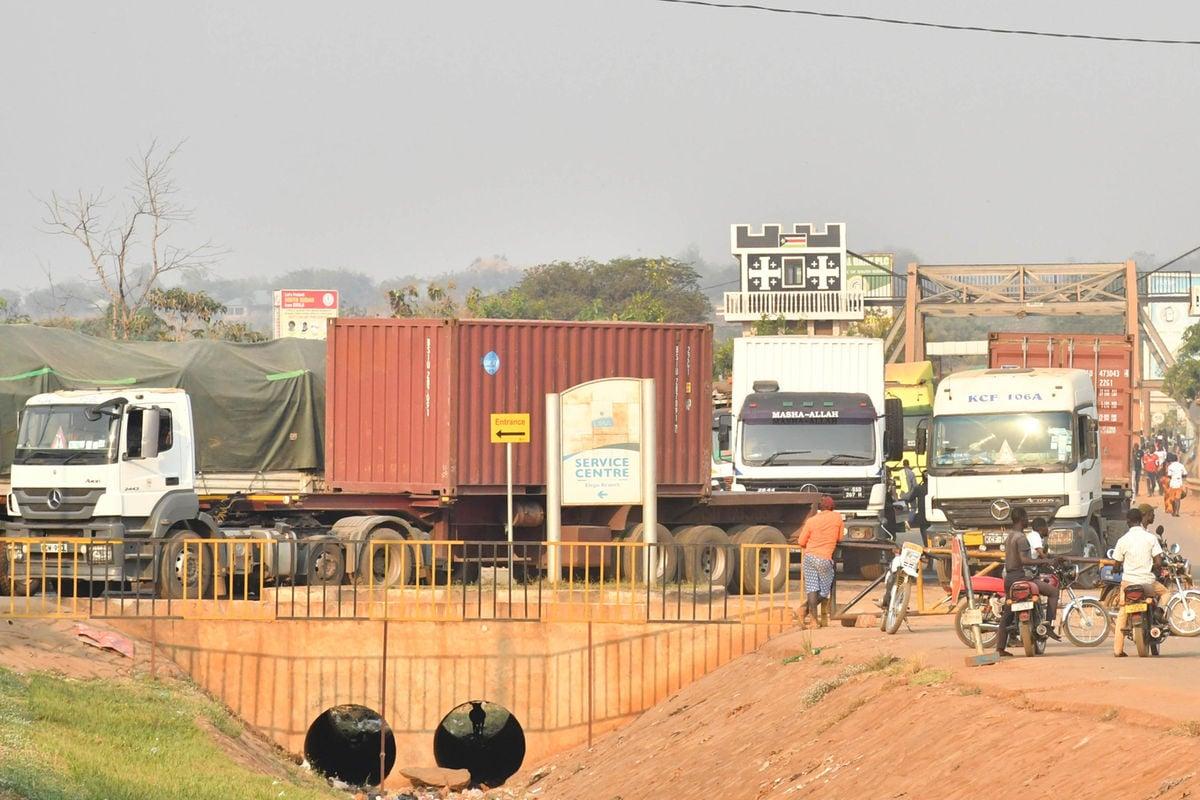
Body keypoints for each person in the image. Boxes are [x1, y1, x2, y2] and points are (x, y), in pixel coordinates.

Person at [996, 507, 1061, 656]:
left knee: (1007, 614)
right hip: (1021, 577)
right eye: (1026, 518)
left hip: (1009, 579)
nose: (1028, 521)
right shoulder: (1021, 538)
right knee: (1053, 592)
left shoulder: (1009, 536)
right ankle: (1048, 624)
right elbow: (1024, 560)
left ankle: (1000, 648)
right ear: (1022, 519)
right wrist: (1045, 561)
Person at [1111, 507, 1172, 657]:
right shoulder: (1150, 538)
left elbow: (1116, 564)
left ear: (1128, 522)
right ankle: (1159, 611)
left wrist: (1116, 569)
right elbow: (1159, 562)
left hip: (1128, 584)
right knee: (1166, 593)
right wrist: (1152, 567)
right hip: (1147, 583)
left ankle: (1118, 650)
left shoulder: (1122, 540)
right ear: (1140, 520)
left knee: (1123, 612)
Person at [797, 495, 844, 628]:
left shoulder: (811, 521)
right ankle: (803, 609)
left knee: (812, 589)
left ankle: (813, 620)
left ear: (819, 507)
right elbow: (840, 538)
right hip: (824, 559)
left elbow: (801, 542)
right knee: (824, 591)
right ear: (832, 507)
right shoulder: (837, 518)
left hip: (809, 558)